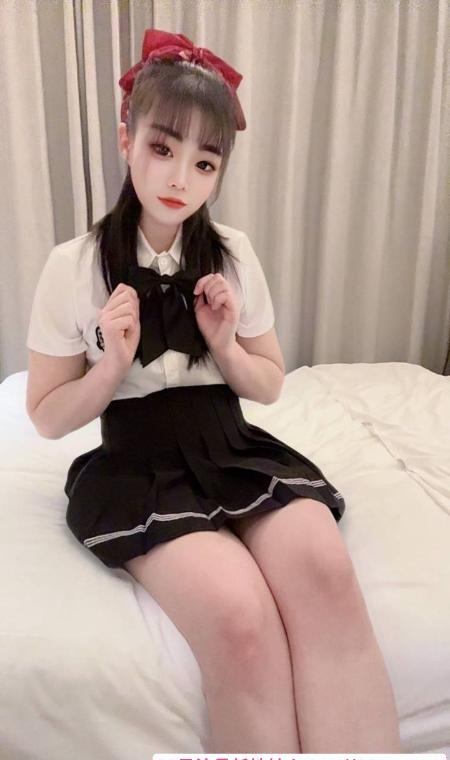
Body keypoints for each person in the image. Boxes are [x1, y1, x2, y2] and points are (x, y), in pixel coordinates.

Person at [26, 28, 402, 753]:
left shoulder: (233, 255)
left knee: (325, 574)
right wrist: (108, 368)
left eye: (204, 162)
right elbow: (44, 416)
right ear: (126, 140)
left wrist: (226, 345)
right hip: (139, 465)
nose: (181, 179)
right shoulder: (72, 268)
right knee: (240, 619)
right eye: (162, 149)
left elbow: (270, 383)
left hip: (231, 445)